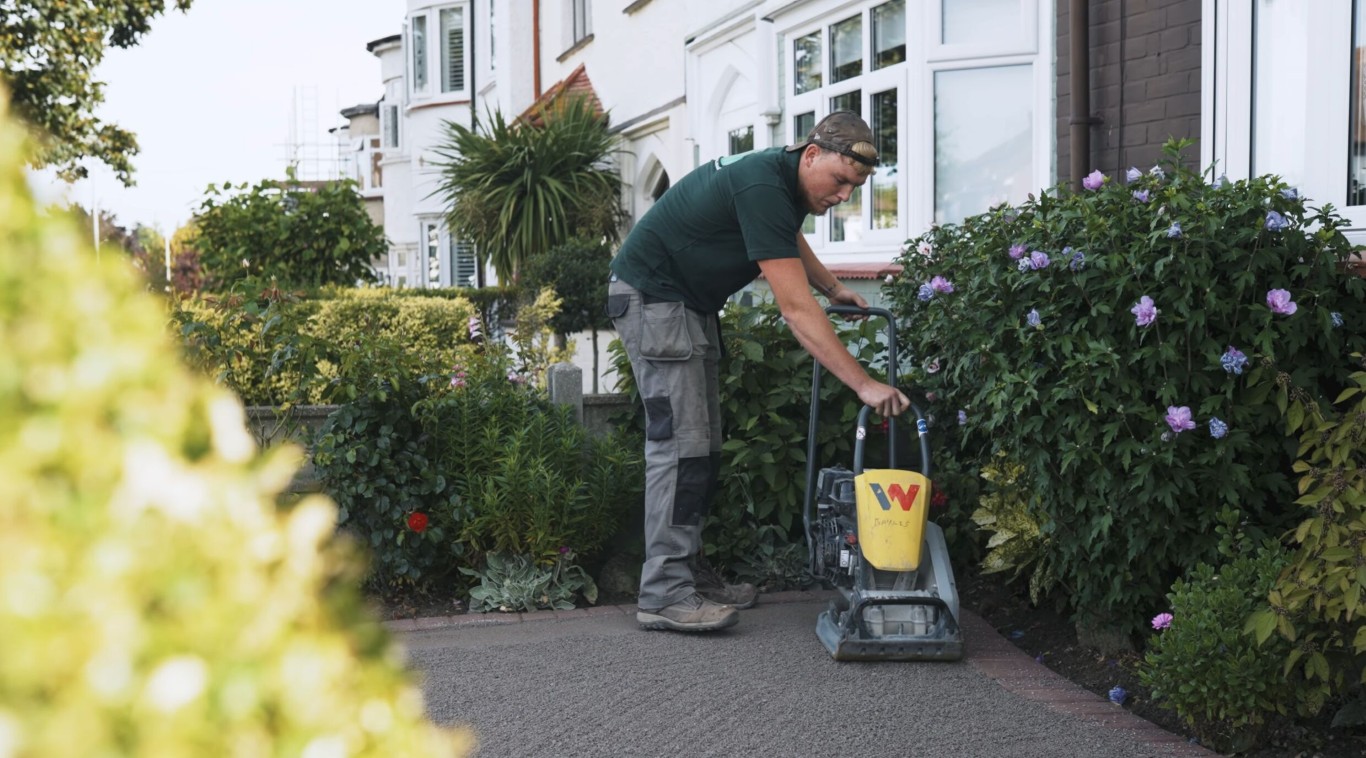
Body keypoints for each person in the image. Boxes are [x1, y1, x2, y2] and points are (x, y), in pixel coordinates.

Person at [606, 111, 911, 632]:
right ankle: (662, 593)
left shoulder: (779, 183)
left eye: (855, 188)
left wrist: (832, 287)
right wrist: (863, 382)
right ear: (811, 155)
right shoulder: (762, 184)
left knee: (702, 447)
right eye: (840, 181)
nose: (843, 196)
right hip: (654, 299)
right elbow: (794, 311)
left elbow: (785, 238)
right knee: (680, 449)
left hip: (685, 304)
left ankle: (686, 575)